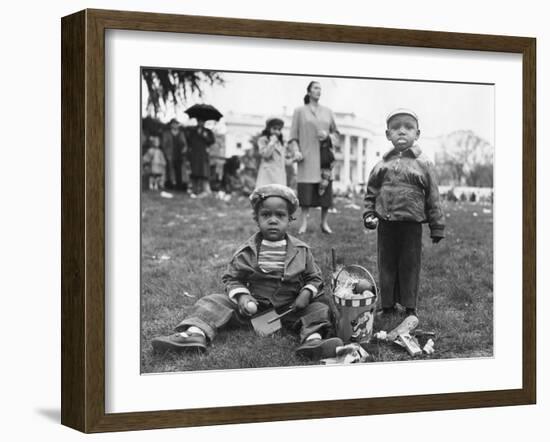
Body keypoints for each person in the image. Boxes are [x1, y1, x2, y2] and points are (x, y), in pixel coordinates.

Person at [152, 184, 343, 360]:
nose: (273, 220)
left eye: (280, 215)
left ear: (290, 219)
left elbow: (314, 277)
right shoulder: (247, 251)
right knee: (212, 301)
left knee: (320, 307)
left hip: (291, 308)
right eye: (266, 215)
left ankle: (313, 340)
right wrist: (243, 297)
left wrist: (306, 293)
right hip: (253, 308)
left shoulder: (302, 250)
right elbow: (232, 278)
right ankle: (194, 334)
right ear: (256, 219)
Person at [363, 109, 445, 316]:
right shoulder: (382, 164)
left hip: (411, 225)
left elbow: (433, 196)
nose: (402, 132)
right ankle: (388, 306)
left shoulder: (424, 164)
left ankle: (410, 307)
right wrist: (369, 214)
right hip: (386, 225)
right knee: (386, 265)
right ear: (387, 134)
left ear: (417, 134)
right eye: (396, 128)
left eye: (408, 127)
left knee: (409, 266)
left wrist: (437, 226)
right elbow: (371, 193)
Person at [289, 81, 339, 234]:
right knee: (306, 192)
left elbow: (336, 134)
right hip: (307, 157)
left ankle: (324, 223)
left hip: (324, 157)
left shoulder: (328, 112)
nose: (318, 91)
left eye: (320, 88)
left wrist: (328, 136)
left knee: (325, 192)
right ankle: (303, 223)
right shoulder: (299, 111)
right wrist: (296, 151)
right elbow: (293, 136)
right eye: (315, 88)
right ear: (309, 91)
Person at [186, 118, 216, 196]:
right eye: (199, 121)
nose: (201, 122)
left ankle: (204, 189)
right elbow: (189, 141)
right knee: (195, 172)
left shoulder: (208, 131)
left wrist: (205, 136)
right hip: (194, 154)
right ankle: (194, 189)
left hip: (203, 154)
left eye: (202, 121)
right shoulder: (192, 131)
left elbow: (212, 141)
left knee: (203, 172)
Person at [256, 117, 289, 187]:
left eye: (279, 129)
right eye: (274, 129)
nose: (277, 132)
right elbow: (265, 155)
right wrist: (272, 142)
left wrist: (293, 159)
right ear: (268, 129)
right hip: (267, 177)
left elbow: (283, 161)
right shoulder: (263, 140)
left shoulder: (280, 144)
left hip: (279, 178)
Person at [161, 119, 188, 191]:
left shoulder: (181, 133)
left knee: (179, 171)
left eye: (176, 124)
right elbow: (164, 144)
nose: (175, 125)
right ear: (171, 125)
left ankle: (179, 186)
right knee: (170, 170)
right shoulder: (166, 133)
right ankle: (170, 185)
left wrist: (184, 149)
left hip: (179, 154)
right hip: (170, 154)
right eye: (174, 124)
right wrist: (166, 153)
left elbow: (185, 144)